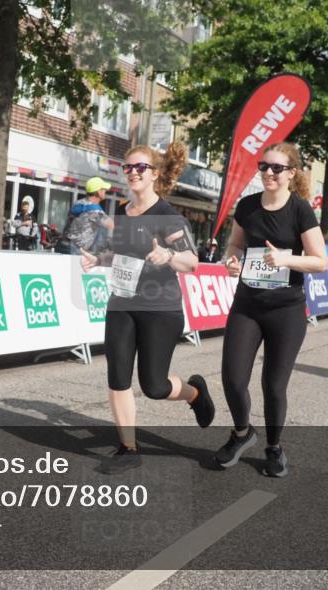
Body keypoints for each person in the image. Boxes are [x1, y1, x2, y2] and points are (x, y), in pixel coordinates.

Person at [81, 142, 213, 474]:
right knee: (118, 375)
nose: (134, 173)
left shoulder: (168, 216)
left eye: (141, 167)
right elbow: (120, 254)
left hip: (160, 309)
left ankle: (195, 393)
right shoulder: (123, 211)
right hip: (122, 304)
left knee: (154, 386)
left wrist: (168, 256)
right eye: (128, 167)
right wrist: (98, 259)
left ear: (153, 174)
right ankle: (128, 448)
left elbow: (192, 262)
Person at [217, 142, 328, 477]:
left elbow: (321, 262)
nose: (268, 172)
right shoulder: (248, 206)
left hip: (286, 310)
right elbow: (235, 243)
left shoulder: (300, 210)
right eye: (263, 166)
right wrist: (231, 260)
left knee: (273, 385)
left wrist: (285, 258)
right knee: (233, 379)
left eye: (276, 168)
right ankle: (241, 434)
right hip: (247, 304)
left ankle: (274, 447)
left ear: (291, 173)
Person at [56, 176, 113, 255]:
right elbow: (111, 225)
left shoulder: (78, 203)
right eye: (103, 189)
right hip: (75, 251)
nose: (105, 191)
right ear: (98, 192)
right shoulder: (95, 210)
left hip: (62, 245)